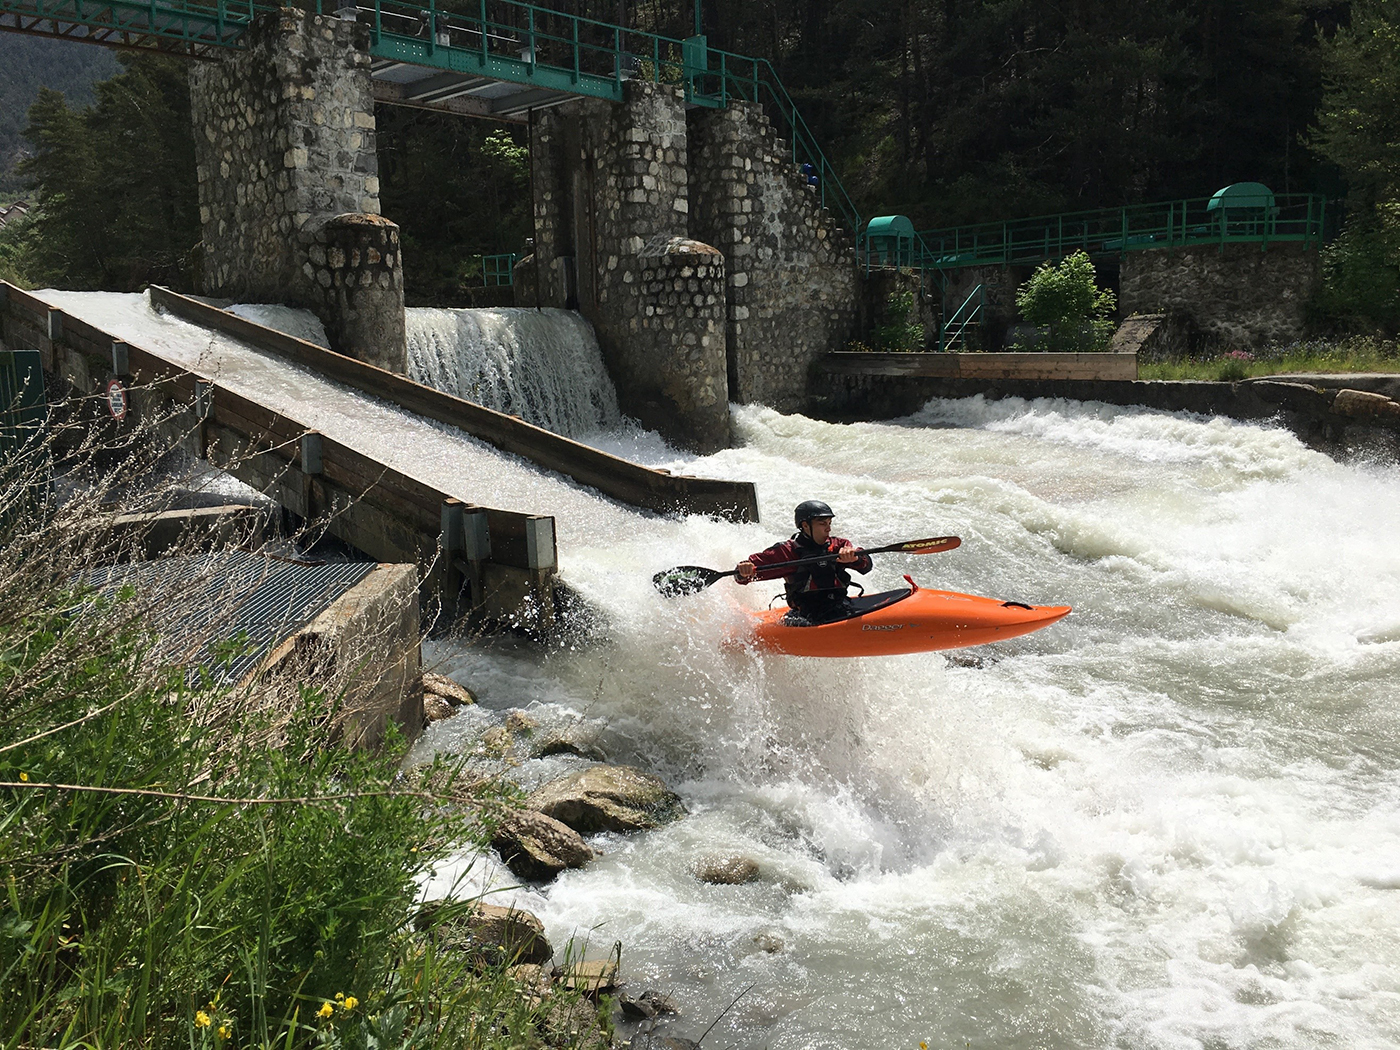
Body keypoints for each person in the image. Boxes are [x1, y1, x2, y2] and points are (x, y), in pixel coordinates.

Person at [735, 500, 872, 625]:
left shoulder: (839, 546)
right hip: (805, 617)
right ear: (805, 525)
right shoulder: (786, 552)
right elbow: (743, 576)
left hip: (839, 606)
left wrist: (856, 559)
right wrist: (744, 569)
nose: (828, 529)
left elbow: (866, 566)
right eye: (822, 524)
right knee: (806, 618)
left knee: (839, 609)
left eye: (829, 523)